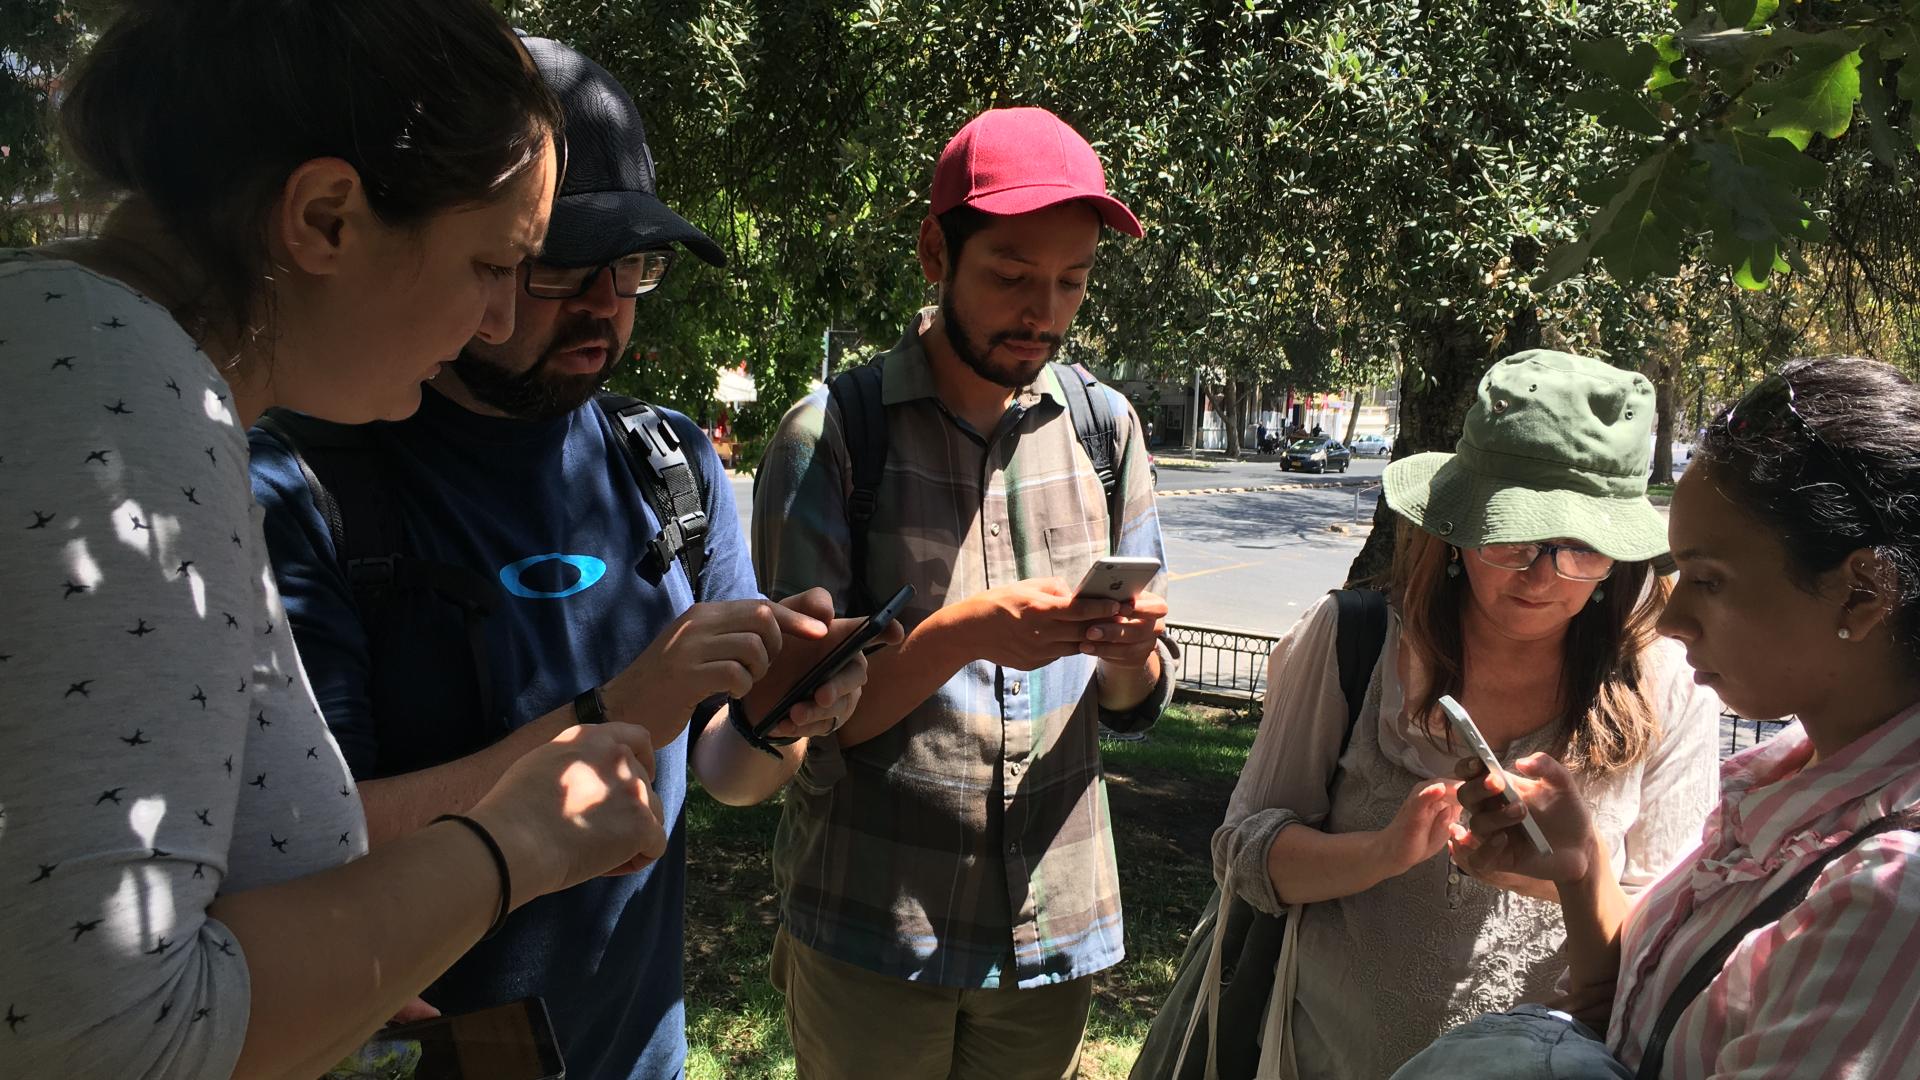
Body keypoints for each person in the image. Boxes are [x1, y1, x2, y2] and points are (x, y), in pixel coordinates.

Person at [0, 5, 671, 1078]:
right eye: (493, 262)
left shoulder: (136, 379)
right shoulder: (117, 402)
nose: (498, 322)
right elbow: (112, 1041)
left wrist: (350, 967)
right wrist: (514, 846)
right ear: (324, 220)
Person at [246, 38, 881, 1080]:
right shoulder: (306, 490)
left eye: (632, 265)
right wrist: (619, 707)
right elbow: (316, 852)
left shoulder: (666, 461)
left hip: (639, 1052)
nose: (605, 303)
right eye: (556, 264)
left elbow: (723, 775)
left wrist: (782, 715)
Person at [750, 106, 1175, 1078]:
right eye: (1013, 276)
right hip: (876, 929)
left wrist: (1129, 653)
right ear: (936, 250)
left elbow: (1140, 702)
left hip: (1055, 935)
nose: (1044, 313)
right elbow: (794, 717)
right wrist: (964, 634)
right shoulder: (832, 437)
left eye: (1072, 282)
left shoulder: (1107, 432)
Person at [1399, 356, 1920, 1080]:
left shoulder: (1889, 897)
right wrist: (1583, 874)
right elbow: (1638, 1023)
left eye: (1708, 581)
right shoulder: (1791, 785)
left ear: (1863, 594)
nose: (1671, 620)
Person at [1204, 351, 1721, 1079]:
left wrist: (1561, 872)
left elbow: (1674, 937)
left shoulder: (1666, 680)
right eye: (1512, 536)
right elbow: (1244, 853)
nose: (1543, 577)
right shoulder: (1355, 641)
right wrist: (1381, 854)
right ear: (1458, 526)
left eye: (1580, 548)